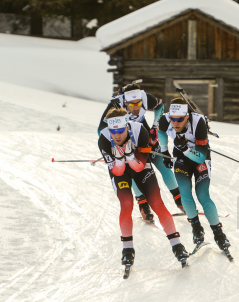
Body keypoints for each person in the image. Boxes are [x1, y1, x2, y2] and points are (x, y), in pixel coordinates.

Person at [98, 107, 189, 266]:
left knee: (157, 203)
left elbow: (139, 166)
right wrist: (119, 159)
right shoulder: (104, 138)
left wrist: (128, 155)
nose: (117, 135)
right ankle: (127, 249)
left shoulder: (139, 130)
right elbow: (117, 170)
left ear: (127, 126)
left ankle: (177, 245)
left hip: (140, 166)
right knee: (126, 205)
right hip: (120, 172)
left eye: (120, 130)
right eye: (114, 130)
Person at [98, 83, 184, 222]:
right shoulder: (115, 106)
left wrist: (155, 126)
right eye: (131, 104)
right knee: (134, 171)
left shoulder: (146, 98)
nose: (136, 107)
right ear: (125, 102)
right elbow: (100, 130)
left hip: (143, 135)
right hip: (127, 141)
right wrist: (113, 144)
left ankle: (179, 200)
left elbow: (160, 106)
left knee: (162, 165)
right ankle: (143, 204)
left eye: (138, 103)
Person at [157, 97, 231, 251]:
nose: (175, 122)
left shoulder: (198, 123)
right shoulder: (165, 119)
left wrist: (185, 148)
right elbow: (161, 131)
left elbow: (201, 157)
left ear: (187, 116)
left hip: (199, 157)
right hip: (181, 159)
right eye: (173, 119)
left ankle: (219, 234)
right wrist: (164, 150)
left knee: (202, 195)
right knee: (185, 194)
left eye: (180, 119)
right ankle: (196, 228)